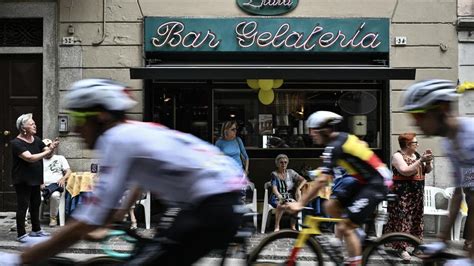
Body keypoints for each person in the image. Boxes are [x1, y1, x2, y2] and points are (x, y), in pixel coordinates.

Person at [0, 79, 247, 265]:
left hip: (215, 202)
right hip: (216, 193)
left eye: (78, 118)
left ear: (100, 117)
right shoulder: (130, 132)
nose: (75, 128)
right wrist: (115, 216)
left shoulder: (117, 140)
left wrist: (20, 260)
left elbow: (83, 223)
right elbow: (138, 177)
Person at [286, 111, 392, 266]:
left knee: (344, 226)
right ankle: (356, 233)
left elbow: (322, 180)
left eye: (313, 131)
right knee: (330, 204)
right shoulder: (338, 140)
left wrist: (300, 204)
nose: (311, 135)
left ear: (324, 130)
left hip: (377, 182)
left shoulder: (335, 146)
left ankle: (353, 255)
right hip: (363, 181)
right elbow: (327, 172)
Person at [400, 79, 474, 265]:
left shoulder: (471, 137)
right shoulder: (449, 143)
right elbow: (459, 193)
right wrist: (442, 241)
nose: (415, 124)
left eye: (419, 116)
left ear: (440, 110)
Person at [10, 113, 59, 243]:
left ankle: (36, 230)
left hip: (36, 178)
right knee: (23, 206)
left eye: (34, 123)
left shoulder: (36, 139)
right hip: (22, 179)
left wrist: (52, 148)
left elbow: (47, 152)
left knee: (35, 204)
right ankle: (21, 234)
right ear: (23, 127)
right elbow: (29, 158)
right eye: (31, 124)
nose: (35, 125)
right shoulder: (16, 143)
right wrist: (47, 151)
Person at [383, 132, 433, 261]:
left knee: (417, 219)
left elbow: (427, 170)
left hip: (417, 193)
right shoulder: (397, 156)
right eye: (415, 143)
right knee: (402, 220)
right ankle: (402, 248)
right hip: (403, 194)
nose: (417, 145)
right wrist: (421, 160)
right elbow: (405, 171)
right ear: (407, 144)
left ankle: (417, 246)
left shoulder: (416, 155)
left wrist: (428, 162)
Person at [270, 154, 306, 231]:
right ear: (277, 164)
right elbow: (274, 189)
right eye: (281, 162)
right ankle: (277, 226)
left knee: (296, 206)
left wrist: (298, 189)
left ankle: (293, 226)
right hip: (276, 197)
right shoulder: (274, 174)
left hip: (289, 197)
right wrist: (280, 197)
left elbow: (304, 180)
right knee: (280, 205)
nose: (283, 164)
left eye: (285, 162)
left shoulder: (291, 172)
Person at [42, 138, 72, 227]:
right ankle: (31, 219)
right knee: (31, 195)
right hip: (42, 187)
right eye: (45, 149)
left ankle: (53, 218)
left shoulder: (60, 158)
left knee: (55, 195)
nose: (48, 151)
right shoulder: (39, 159)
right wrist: (40, 183)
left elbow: (69, 171)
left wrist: (63, 178)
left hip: (56, 186)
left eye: (50, 148)